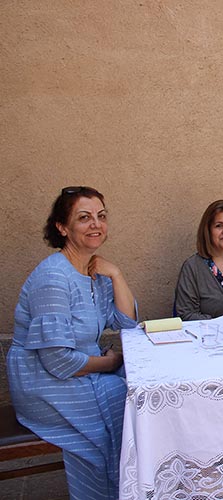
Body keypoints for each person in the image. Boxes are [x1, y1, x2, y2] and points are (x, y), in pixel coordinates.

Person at [7, 186, 138, 500]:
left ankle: (129, 487)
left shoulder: (94, 271)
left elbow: (127, 323)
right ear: (62, 227)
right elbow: (58, 361)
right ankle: (114, 490)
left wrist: (116, 274)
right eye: (84, 218)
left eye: (101, 216)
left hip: (81, 371)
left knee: (137, 392)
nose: (96, 224)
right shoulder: (53, 277)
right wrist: (111, 362)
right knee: (125, 402)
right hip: (44, 382)